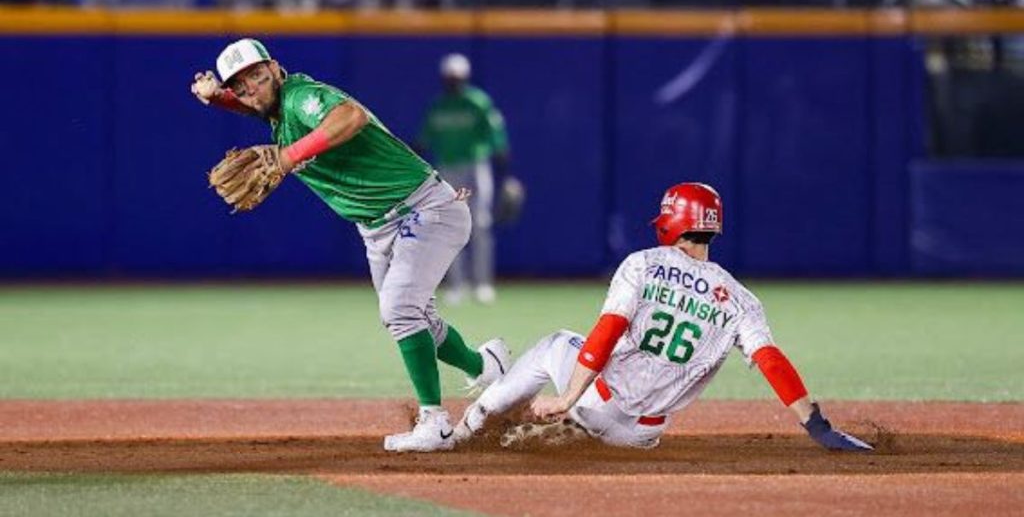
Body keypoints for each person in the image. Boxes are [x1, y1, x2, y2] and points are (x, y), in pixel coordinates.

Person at [190, 38, 510, 453]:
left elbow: (350, 116)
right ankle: (486, 366)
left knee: (400, 309)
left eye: (256, 73)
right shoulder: (276, 109)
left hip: (424, 210)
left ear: (274, 67)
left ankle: (435, 422)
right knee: (416, 319)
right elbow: (255, 103)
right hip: (378, 229)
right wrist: (218, 98)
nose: (250, 86)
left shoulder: (301, 97)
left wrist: (286, 158)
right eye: (240, 83)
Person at [454, 182, 872, 452]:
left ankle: (468, 426)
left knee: (557, 343)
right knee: (616, 404)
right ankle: (556, 429)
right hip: (641, 435)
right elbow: (771, 362)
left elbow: (609, 329)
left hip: (597, 402)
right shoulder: (741, 300)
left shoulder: (645, 263)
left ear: (673, 223)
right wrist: (817, 426)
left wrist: (566, 398)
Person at [418, 53, 511, 304]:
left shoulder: (477, 102)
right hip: (448, 169)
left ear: (465, 78)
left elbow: (497, 136)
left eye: (457, 78)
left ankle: (482, 284)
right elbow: (423, 140)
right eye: (450, 78)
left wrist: (506, 174)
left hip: (475, 166)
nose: (453, 83)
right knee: (451, 226)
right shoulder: (437, 106)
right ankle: (457, 285)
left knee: (480, 223)